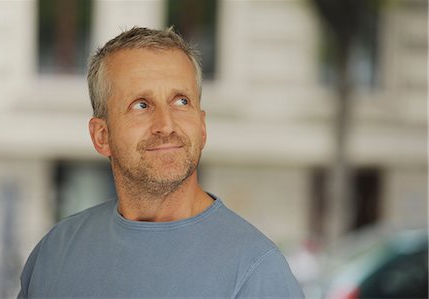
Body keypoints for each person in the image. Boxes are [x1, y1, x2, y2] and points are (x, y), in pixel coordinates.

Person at [18, 26, 304, 299]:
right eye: (141, 105)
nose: (166, 125)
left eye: (181, 102)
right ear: (101, 136)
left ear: (202, 127)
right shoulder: (54, 252)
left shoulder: (257, 273)